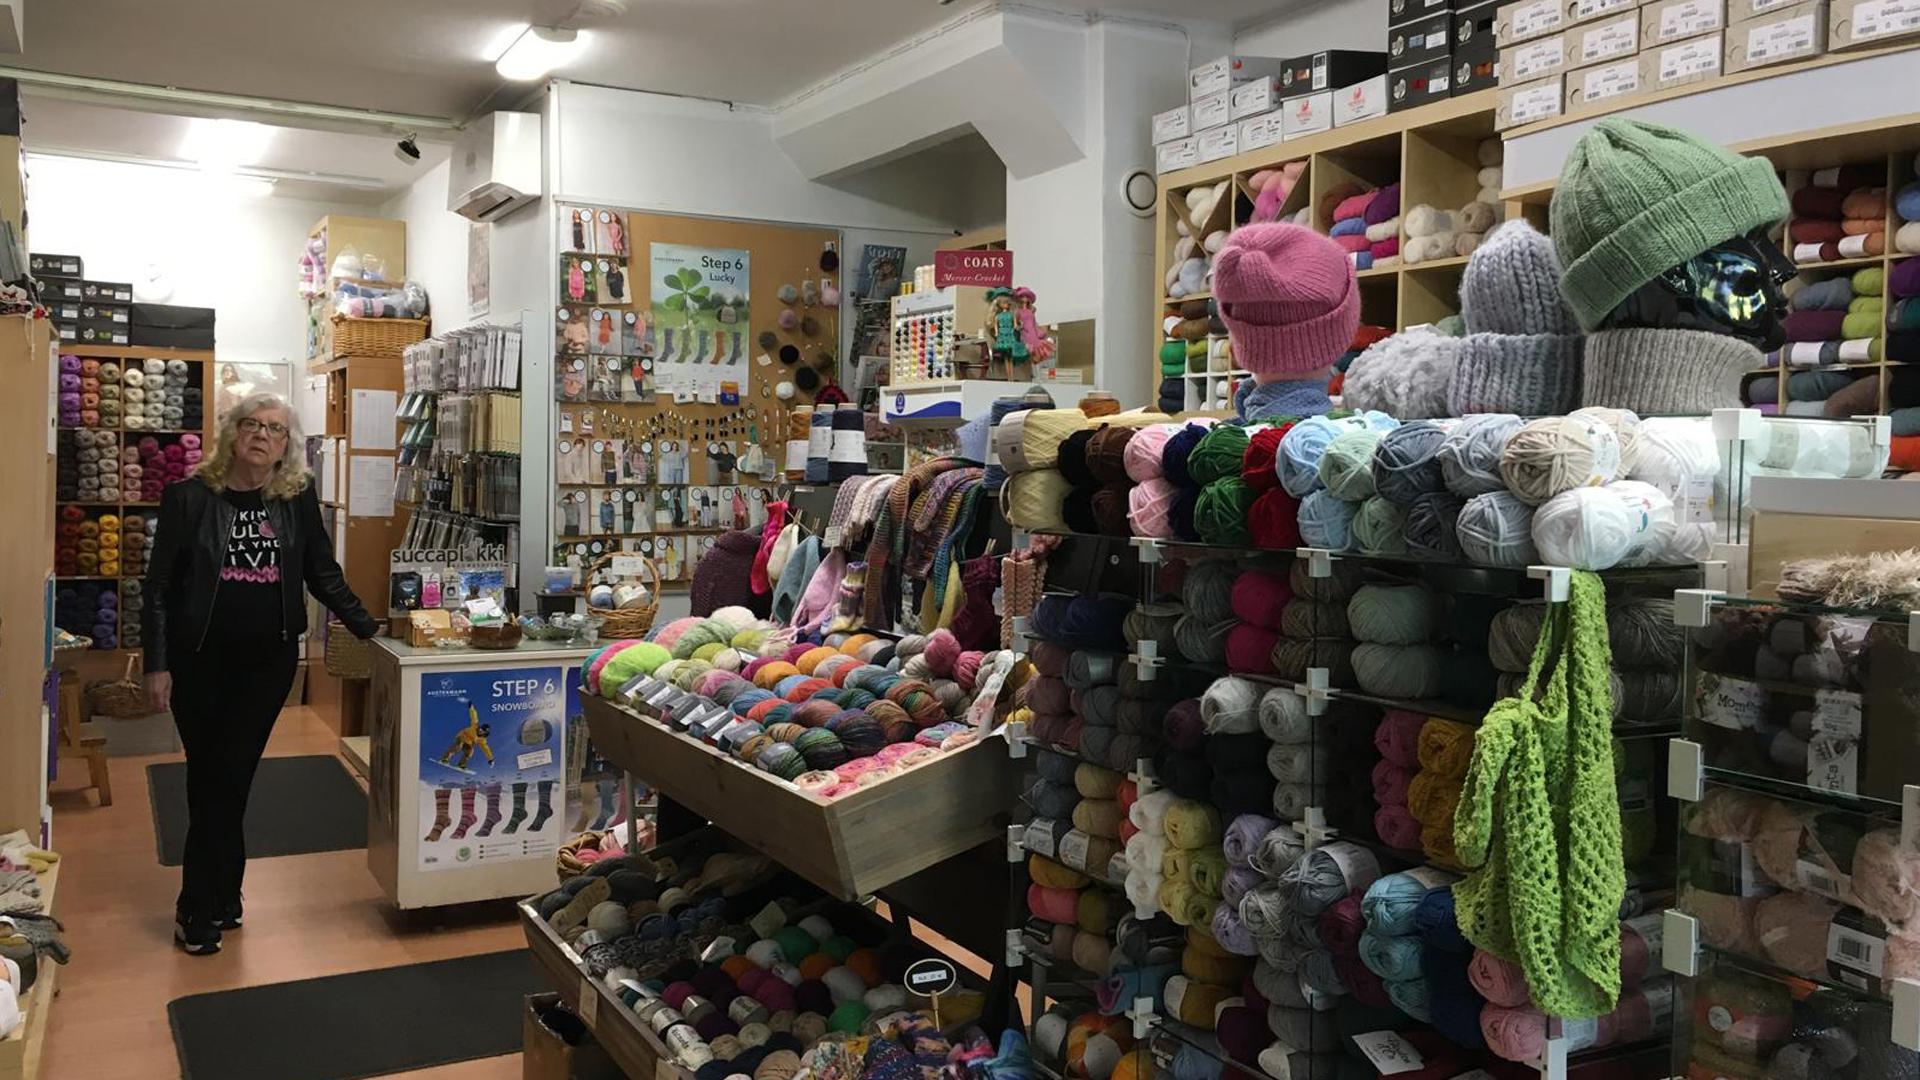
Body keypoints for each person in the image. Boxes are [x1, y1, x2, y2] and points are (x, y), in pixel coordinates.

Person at [143, 392, 380, 956]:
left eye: (274, 430)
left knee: (228, 777)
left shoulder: (295, 500)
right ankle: (216, 898)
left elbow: (322, 573)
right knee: (213, 780)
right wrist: (156, 665)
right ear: (232, 435)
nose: (261, 435)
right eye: (251, 424)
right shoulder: (188, 499)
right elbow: (156, 591)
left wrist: (370, 627)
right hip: (198, 661)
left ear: (285, 448)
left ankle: (201, 905)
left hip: (266, 665)